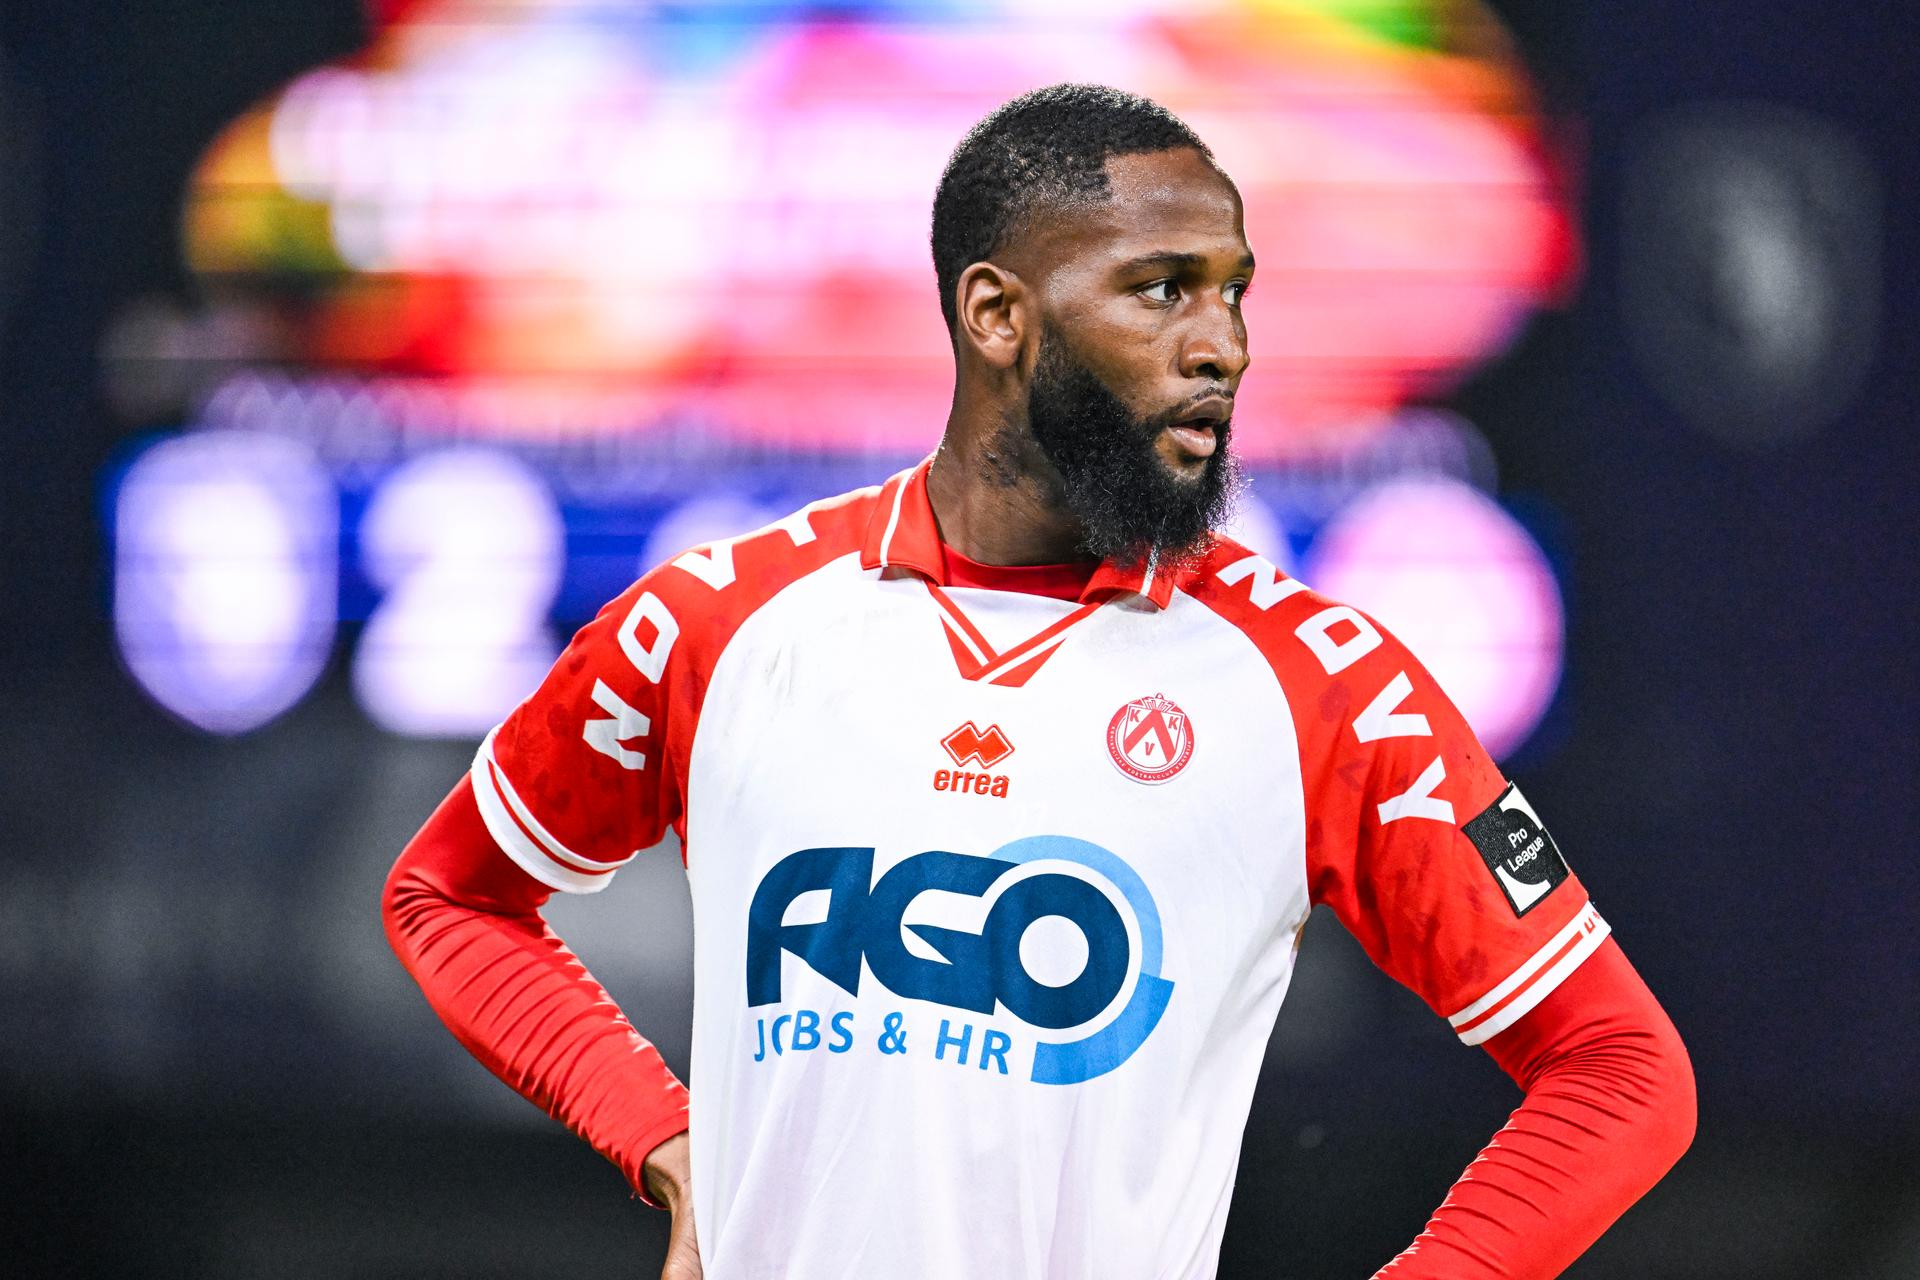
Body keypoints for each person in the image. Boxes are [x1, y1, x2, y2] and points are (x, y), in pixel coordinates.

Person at [383, 84, 1695, 1279]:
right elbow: (449, 895)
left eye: (1234, 291)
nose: (1224, 346)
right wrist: (668, 1147)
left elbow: (1622, 1068)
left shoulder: (1322, 684)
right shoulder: (722, 621)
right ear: (996, 313)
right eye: (1162, 289)